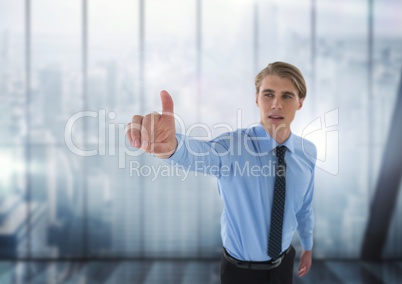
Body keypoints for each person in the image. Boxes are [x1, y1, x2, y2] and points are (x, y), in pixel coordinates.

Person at [127, 62, 317, 284]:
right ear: (257, 99)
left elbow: (304, 207)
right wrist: (172, 147)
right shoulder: (234, 147)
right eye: (268, 94)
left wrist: (308, 246)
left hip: (284, 264)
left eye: (286, 96)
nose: (276, 104)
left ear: (300, 102)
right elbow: (203, 155)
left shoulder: (307, 152)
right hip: (241, 273)